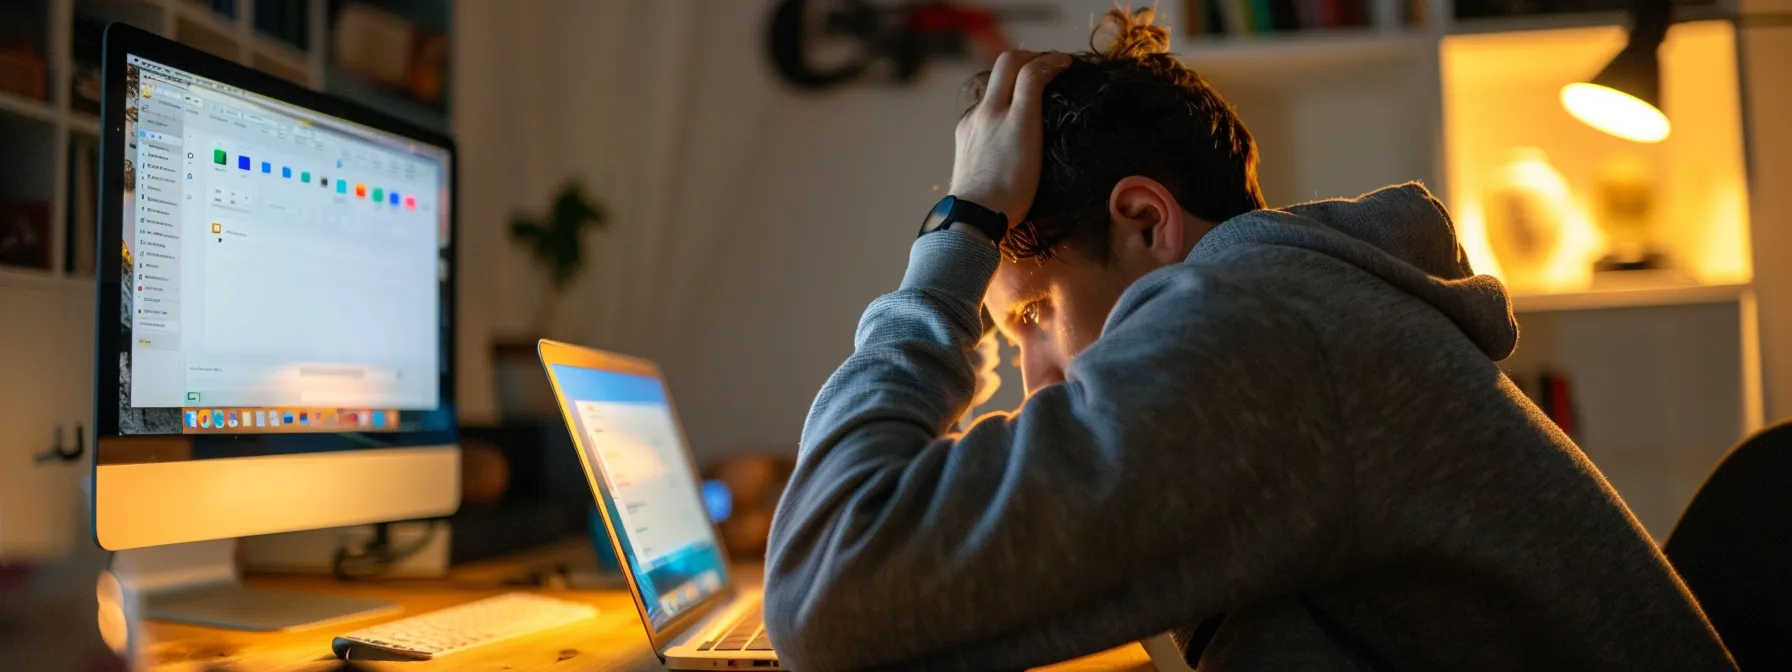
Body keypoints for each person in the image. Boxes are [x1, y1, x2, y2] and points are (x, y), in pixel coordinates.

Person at [762, 8, 1735, 671]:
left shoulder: (1254, 336)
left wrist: (958, 230)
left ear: (1146, 222)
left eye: (1031, 317)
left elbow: (826, 590)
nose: (1032, 379)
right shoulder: (1287, 309)